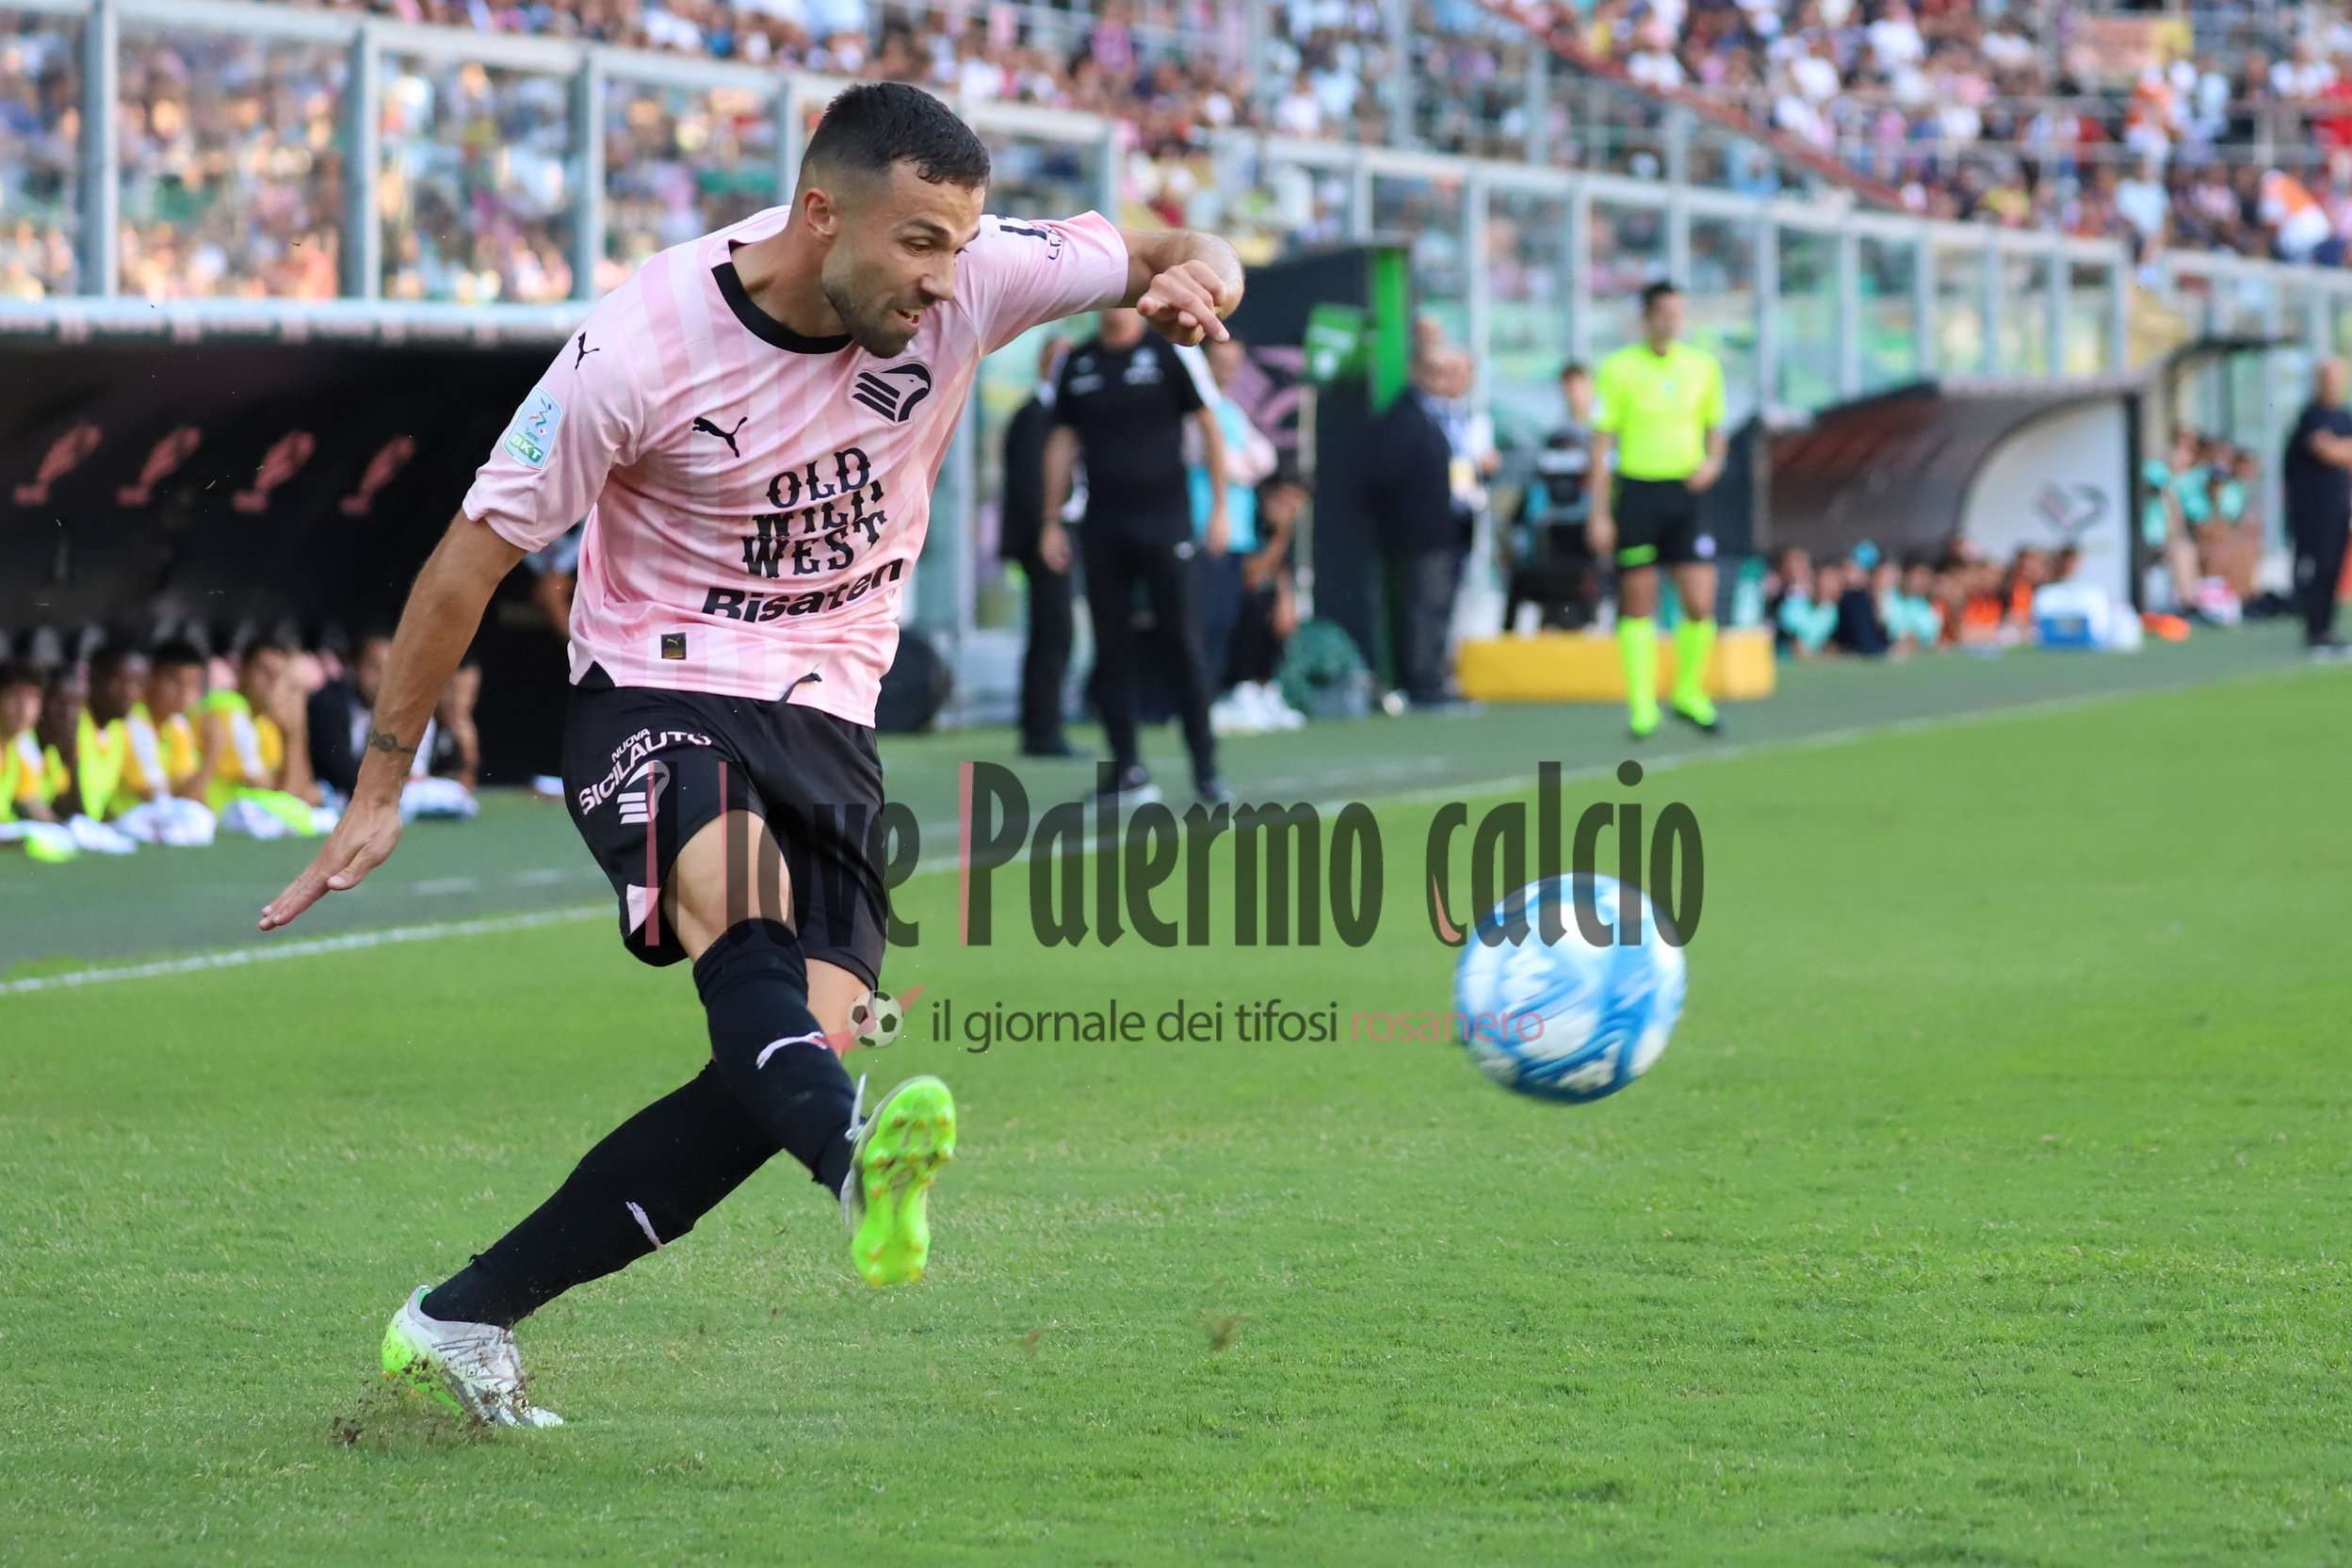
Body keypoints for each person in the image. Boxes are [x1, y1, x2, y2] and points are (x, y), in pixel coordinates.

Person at [256, 82, 1244, 1429]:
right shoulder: (640, 347)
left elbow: (1163, 250)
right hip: (655, 686)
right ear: (822, 212)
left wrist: (1206, 278)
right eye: (917, 243)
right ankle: (853, 1165)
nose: (942, 278)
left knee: (785, 1052)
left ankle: (462, 1314)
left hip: (830, 714)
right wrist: (380, 786)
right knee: (743, 909)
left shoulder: (978, 278)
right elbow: (464, 565)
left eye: (957, 243)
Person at [1041, 306, 1232, 805]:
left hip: (1166, 523)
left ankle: (1206, 769)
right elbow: (1061, 440)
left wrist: (1219, 509)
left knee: (1182, 644)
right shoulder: (1078, 363)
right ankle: (1126, 769)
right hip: (1103, 525)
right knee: (1111, 648)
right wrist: (1050, 521)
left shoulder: (1171, 353)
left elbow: (1210, 427)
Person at [1589, 281, 1728, 738]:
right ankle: (1642, 705)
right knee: (1638, 600)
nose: (1673, 321)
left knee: (1699, 599)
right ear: (1647, 317)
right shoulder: (1618, 369)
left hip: (1685, 494)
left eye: (1678, 313)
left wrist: (1713, 463)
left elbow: (1716, 428)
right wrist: (1599, 511)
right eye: (1664, 313)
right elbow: (1602, 442)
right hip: (1637, 492)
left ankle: (1688, 692)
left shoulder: (1703, 367)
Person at [1365, 347, 1481, 709]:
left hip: (1454, 526)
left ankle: (1437, 676)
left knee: (1441, 606)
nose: (1444, 379)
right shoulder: (1404, 415)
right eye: (1436, 371)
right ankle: (1422, 683)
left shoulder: (1453, 416)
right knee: (1423, 607)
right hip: (1422, 530)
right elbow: (1386, 472)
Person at [998, 337, 1078, 757]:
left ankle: (1043, 727)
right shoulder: (1034, 416)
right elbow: (1029, 487)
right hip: (1044, 542)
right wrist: (1049, 532)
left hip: (1056, 538)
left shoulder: (1057, 413)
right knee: (1052, 634)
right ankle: (1042, 731)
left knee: (1054, 634)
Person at [1505, 362, 1599, 633]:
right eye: (1568, 386)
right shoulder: (1552, 433)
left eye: (1579, 385)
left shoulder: (1603, 431)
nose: (1573, 392)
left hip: (1589, 525)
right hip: (1555, 527)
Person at [2282, 358, 2352, 656]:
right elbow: (2328, 451)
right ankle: (2314, 633)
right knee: (2316, 568)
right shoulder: (2311, 416)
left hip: (2338, 509)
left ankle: (2326, 630)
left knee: (2333, 569)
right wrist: (2340, 449)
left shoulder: (2344, 416)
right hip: (2311, 511)